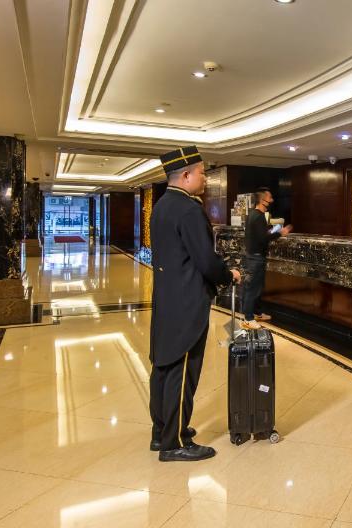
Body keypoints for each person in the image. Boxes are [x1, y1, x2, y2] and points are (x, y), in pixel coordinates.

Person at [150, 146, 241, 462]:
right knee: (182, 368)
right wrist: (228, 275)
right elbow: (205, 259)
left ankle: (161, 432)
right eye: (202, 173)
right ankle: (174, 443)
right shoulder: (188, 210)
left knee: (164, 366)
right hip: (187, 302)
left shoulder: (162, 205)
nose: (205, 178)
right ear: (186, 175)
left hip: (167, 299)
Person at [241, 188, 292, 330]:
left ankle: (256, 313)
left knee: (257, 287)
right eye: (270, 198)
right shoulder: (258, 216)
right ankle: (248, 318)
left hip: (253, 256)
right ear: (263, 200)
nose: (272, 200)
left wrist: (270, 231)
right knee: (253, 288)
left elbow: (259, 235)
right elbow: (263, 238)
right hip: (255, 258)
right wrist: (280, 233)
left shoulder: (253, 214)